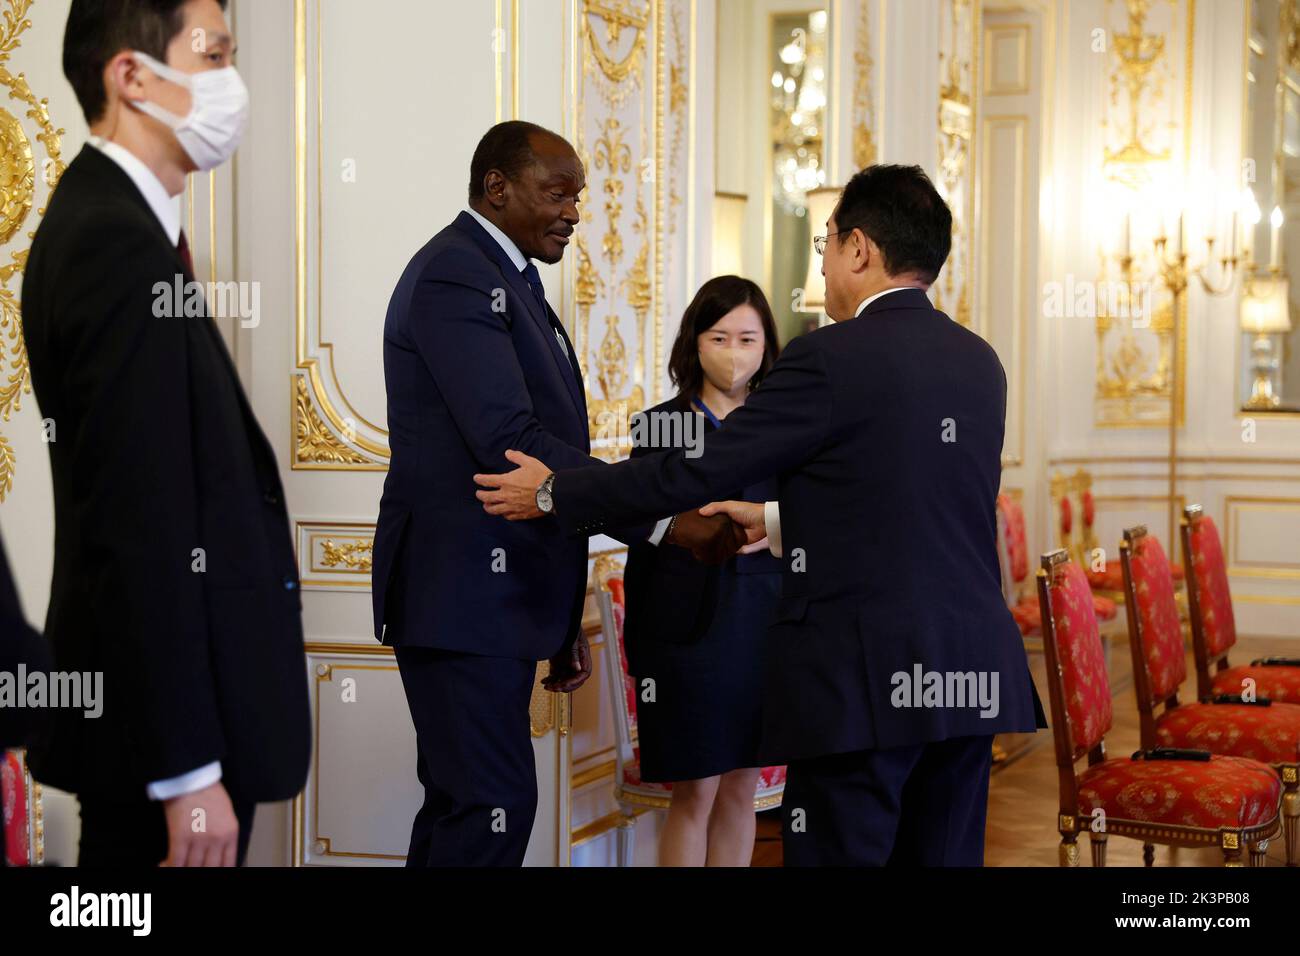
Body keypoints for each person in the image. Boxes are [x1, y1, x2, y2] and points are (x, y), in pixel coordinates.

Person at [475, 164, 1048, 866]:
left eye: (827, 243)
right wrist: (779, 523)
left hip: (862, 686)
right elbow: (909, 506)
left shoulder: (829, 358)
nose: (829, 262)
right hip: (972, 673)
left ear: (860, 249)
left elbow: (692, 470)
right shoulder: (978, 361)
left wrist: (557, 489)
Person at [374, 120, 743, 867]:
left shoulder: (511, 280)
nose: (574, 212)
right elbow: (516, 447)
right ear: (496, 187)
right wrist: (668, 520)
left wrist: (559, 610)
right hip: (461, 601)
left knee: (468, 809)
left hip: (498, 601)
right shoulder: (457, 274)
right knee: (490, 809)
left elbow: (546, 472)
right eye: (557, 193)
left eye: (579, 196)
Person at [22, 0, 310, 867]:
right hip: (160, 747)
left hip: (171, 724)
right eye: (212, 55)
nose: (231, 84)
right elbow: (138, 526)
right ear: (132, 76)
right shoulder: (111, 242)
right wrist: (186, 772)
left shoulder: (129, 228)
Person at [622, 276, 781, 866]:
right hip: (681, 633)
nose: (734, 353)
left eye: (748, 338)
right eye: (720, 337)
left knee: (743, 785)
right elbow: (638, 525)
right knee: (696, 788)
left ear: (767, 345)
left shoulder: (781, 425)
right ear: (694, 342)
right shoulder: (660, 425)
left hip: (764, 624)